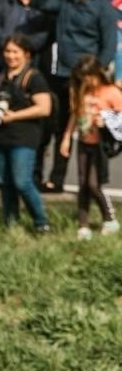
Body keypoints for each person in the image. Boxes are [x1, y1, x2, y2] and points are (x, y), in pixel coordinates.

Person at [35, 0, 120, 192]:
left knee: (93, 129)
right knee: (59, 127)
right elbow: (39, 1)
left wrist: (95, 77)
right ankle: (56, 179)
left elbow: (109, 46)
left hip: (88, 78)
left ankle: (99, 181)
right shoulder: (65, 3)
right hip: (61, 75)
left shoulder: (103, 8)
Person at [0, 33, 52, 232]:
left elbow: (44, 108)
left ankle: (41, 223)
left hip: (24, 137)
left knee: (22, 182)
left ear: (26, 54)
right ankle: (10, 223)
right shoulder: (0, 77)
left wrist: (14, 116)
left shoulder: (34, 78)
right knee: (4, 182)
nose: (10, 56)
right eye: (7, 51)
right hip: (0, 136)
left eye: (15, 52)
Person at [58, 54, 122, 238]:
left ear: (98, 73)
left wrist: (107, 121)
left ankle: (109, 218)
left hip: (100, 144)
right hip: (84, 142)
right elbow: (75, 114)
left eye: (89, 76)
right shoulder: (82, 91)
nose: (87, 81)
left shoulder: (111, 92)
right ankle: (83, 224)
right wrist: (67, 137)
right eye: (82, 78)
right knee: (83, 184)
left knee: (94, 184)